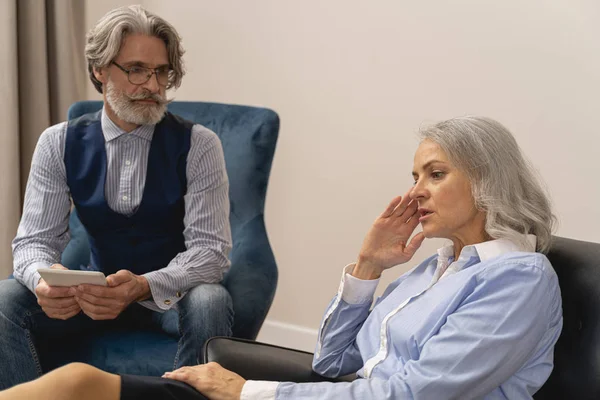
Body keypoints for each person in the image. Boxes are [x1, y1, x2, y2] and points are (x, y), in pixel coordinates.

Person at [0, 116, 563, 399]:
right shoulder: (436, 268)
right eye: (413, 176)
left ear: (488, 178)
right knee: (78, 383)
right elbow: (333, 361)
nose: (415, 191)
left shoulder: (518, 277)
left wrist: (246, 390)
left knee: (81, 389)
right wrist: (367, 267)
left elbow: (409, 394)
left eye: (435, 175)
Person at [0, 5, 233, 390]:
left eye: (162, 72)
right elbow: (33, 241)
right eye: (137, 69)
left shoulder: (200, 145)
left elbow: (210, 253)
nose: (153, 86)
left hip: (170, 300)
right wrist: (44, 279)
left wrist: (143, 285)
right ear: (100, 70)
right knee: (6, 296)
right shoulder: (57, 142)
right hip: (89, 297)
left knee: (211, 299)